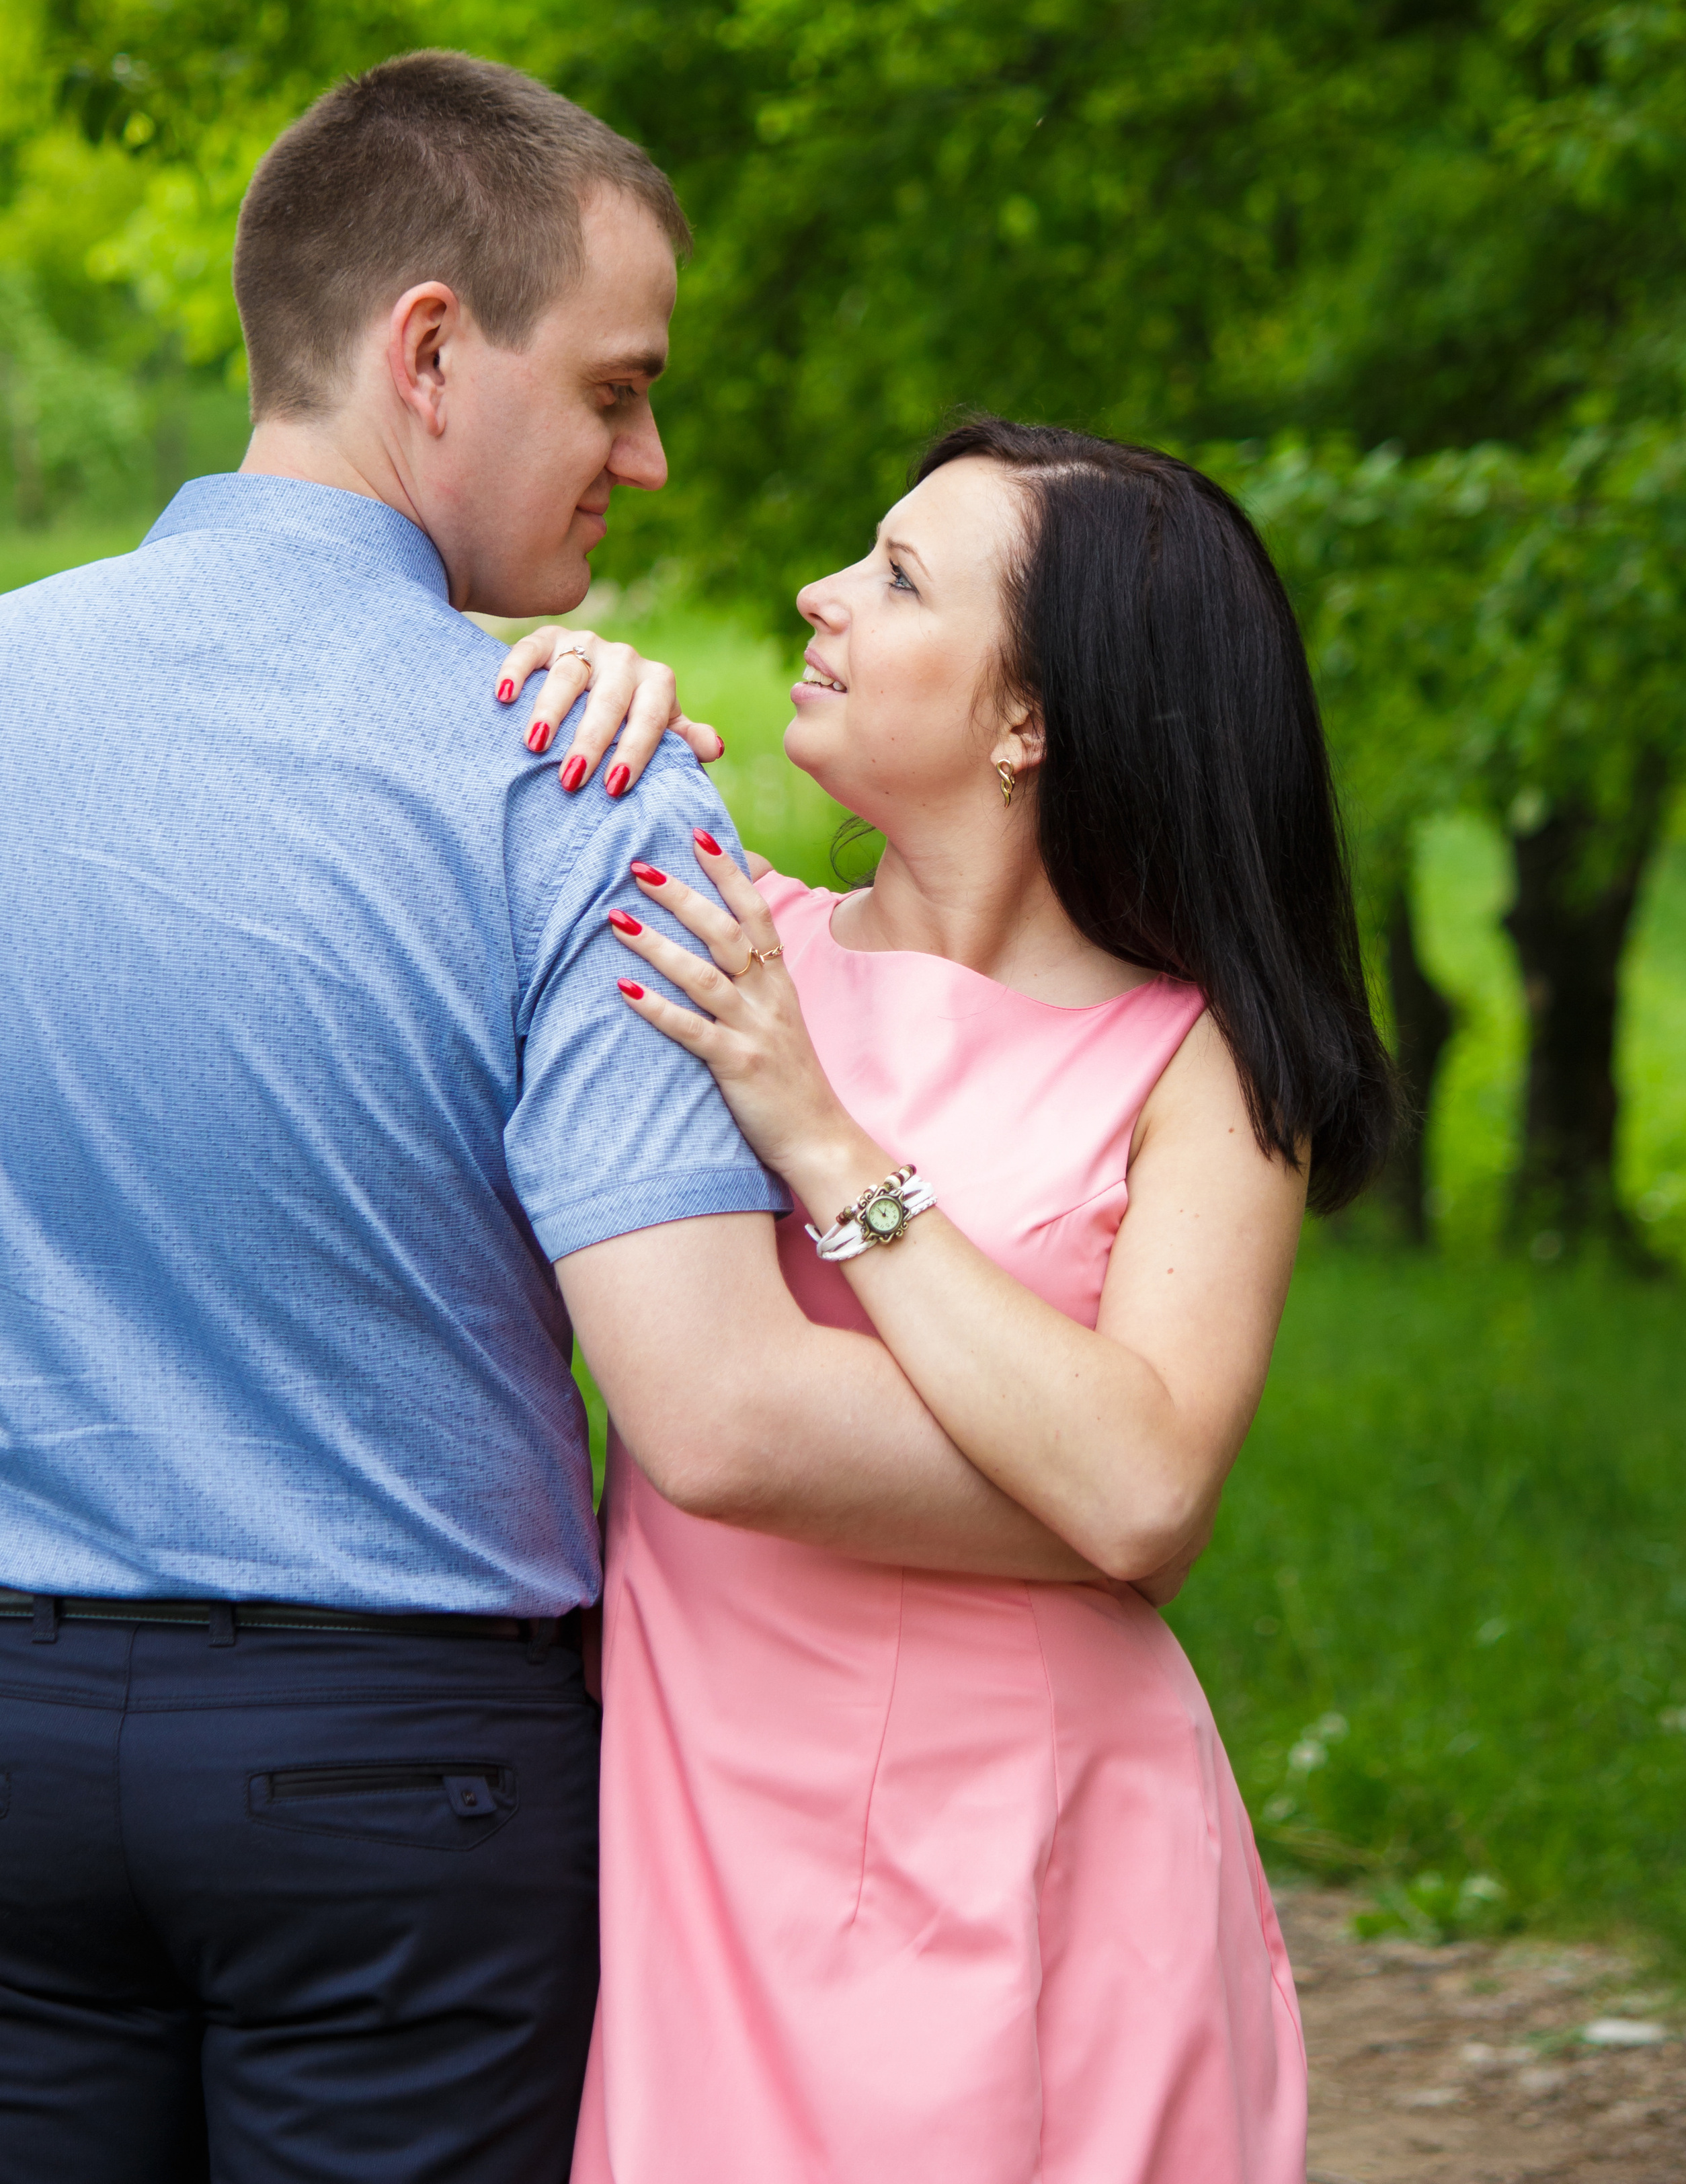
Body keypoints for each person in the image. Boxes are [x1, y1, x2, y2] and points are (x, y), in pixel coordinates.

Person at [0, 58, 1117, 2184]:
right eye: (615, 391)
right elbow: (724, 1416)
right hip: (393, 1792)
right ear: (430, 351)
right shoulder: (578, 785)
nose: (648, 459)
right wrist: (1116, 1483)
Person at [494, 418, 1397, 2183]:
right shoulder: (710, 932)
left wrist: (826, 1144)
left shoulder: (1203, 1061)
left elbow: (1149, 1489)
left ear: (1027, 720)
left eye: (900, 578)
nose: (819, 596)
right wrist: (559, 696)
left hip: (1055, 1847)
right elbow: (1112, 1487)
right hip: (712, 1845)